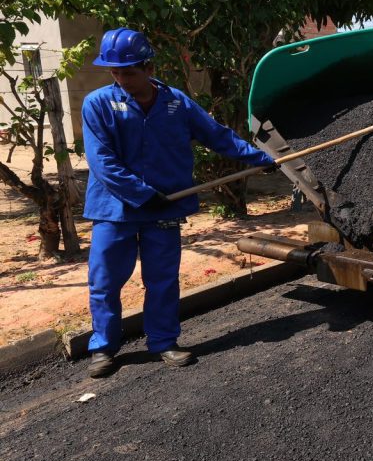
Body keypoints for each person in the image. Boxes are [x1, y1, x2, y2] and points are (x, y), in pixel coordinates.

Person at [82, 28, 277, 378]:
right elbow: (102, 161)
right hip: (115, 209)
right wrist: (143, 195)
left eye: (129, 71)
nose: (121, 78)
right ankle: (103, 347)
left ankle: (164, 342)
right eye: (114, 72)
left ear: (148, 68)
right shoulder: (97, 104)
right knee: (105, 280)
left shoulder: (176, 103)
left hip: (166, 207)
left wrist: (259, 158)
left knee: (162, 279)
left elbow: (216, 135)